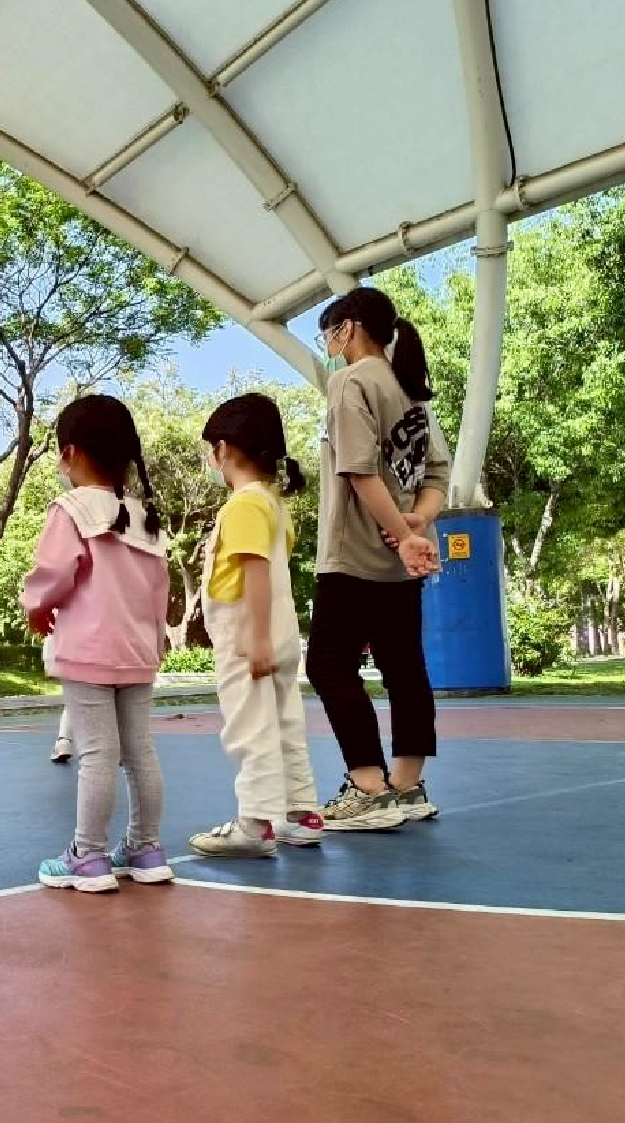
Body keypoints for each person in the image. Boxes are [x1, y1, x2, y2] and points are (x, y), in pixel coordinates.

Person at [306, 286, 447, 832]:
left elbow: (359, 471)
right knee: (405, 667)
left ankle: (367, 787)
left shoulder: (351, 381)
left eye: (330, 332)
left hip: (352, 556)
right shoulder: (414, 393)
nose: (329, 345)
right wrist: (415, 525)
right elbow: (436, 478)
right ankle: (408, 785)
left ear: (349, 328)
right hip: (396, 566)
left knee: (327, 664)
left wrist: (401, 533)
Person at [21, 394, 172, 892]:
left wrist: (36, 606)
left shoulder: (72, 509)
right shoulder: (143, 517)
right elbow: (159, 592)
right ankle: (146, 849)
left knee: (96, 755)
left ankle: (88, 856)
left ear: (71, 452)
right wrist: (155, 643)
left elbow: (55, 573)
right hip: (137, 653)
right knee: (140, 752)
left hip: (88, 652)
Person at [188, 393, 321, 858]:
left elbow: (255, 572)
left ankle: (258, 822)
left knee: (251, 726)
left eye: (211, 450)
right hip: (281, 630)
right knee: (285, 722)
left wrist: (255, 636)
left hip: (248, 632)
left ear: (224, 449)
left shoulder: (243, 505)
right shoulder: (273, 504)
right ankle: (303, 814)